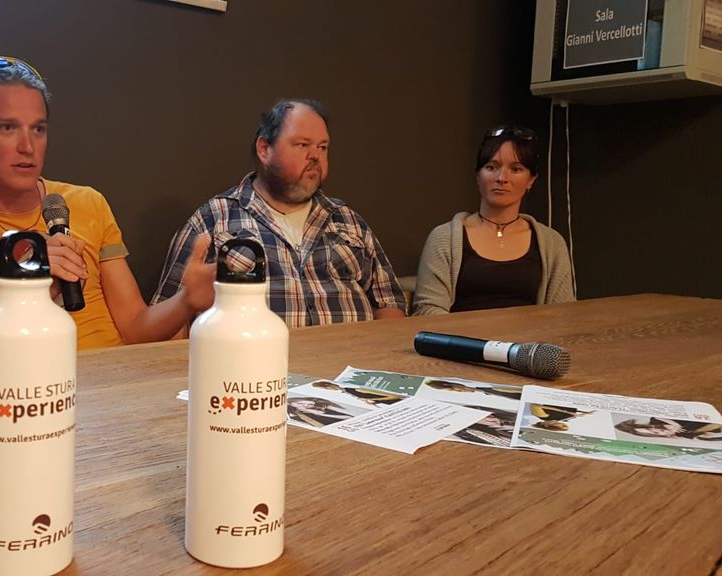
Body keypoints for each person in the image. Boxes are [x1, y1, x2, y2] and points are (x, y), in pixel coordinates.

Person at [0, 56, 214, 364]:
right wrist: (29, 289)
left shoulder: (88, 202)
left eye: (38, 129)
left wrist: (186, 301)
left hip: (111, 378)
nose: (27, 146)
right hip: (22, 384)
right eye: (7, 127)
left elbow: (135, 328)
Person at [152, 99, 406, 329]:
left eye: (323, 147)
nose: (315, 156)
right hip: (254, 362)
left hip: (349, 361)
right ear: (264, 149)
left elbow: (390, 304)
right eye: (302, 145)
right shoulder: (213, 220)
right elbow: (169, 326)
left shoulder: (348, 220)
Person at [412, 125, 575, 315]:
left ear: (531, 180)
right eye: (491, 167)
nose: (501, 178)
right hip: (459, 334)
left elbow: (564, 314)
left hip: (531, 334)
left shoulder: (552, 243)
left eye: (516, 169)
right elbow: (427, 309)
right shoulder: (443, 239)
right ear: (478, 176)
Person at [615, 417, 722, 441]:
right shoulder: (688, 434)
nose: (657, 431)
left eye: (651, 429)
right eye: (655, 434)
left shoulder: (657, 419)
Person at [311, 381, 403, 405]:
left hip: (399, 402)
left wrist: (373, 399)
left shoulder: (355, 389)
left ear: (328, 385)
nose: (328, 390)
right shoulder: (346, 392)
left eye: (326, 388)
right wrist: (368, 401)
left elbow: (395, 396)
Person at [286, 396, 356, 428]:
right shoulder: (293, 413)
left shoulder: (321, 410)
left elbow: (349, 417)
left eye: (310, 404)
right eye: (300, 403)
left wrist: (323, 414)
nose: (306, 405)